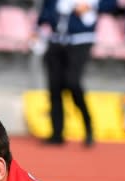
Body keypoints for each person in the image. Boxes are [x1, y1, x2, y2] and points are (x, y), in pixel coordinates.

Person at [34, 0, 99, 147]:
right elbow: (45, 13)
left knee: (72, 83)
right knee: (55, 87)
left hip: (79, 43)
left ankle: (88, 125)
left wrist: (90, 6)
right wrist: (37, 29)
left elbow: (109, 4)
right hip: (56, 42)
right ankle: (57, 133)